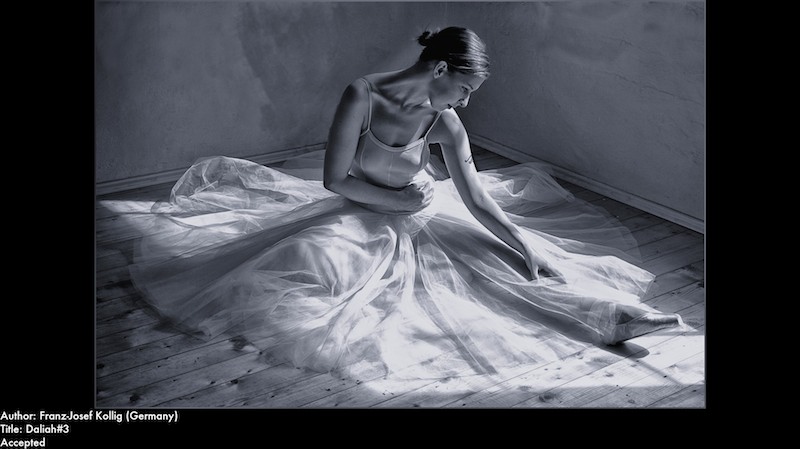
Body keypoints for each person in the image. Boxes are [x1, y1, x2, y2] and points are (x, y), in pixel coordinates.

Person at [128, 27, 683, 382]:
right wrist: (395, 199)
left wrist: (522, 240)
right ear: (440, 69)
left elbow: (474, 194)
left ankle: (614, 315)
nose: (466, 102)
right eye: (464, 90)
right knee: (309, 271)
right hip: (359, 214)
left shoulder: (445, 122)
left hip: (423, 216)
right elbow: (335, 180)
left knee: (512, 265)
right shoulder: (363, 95)